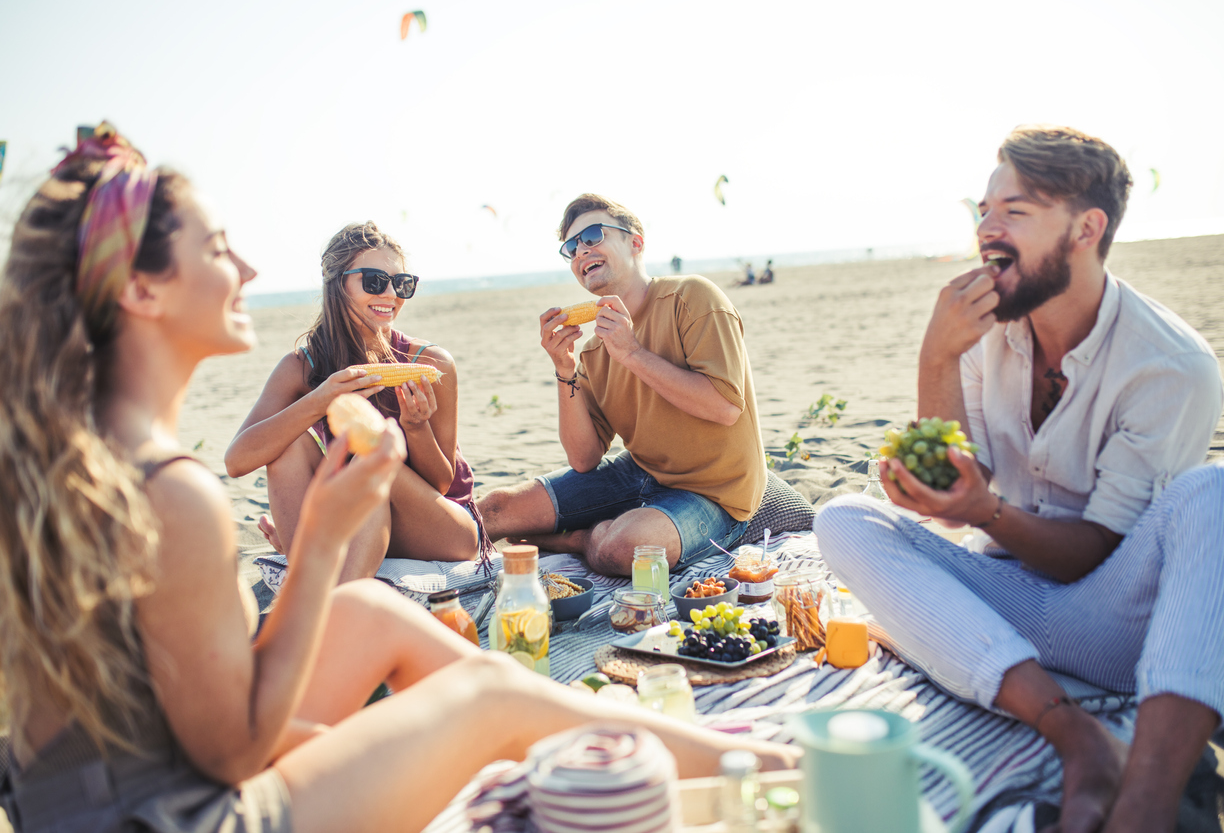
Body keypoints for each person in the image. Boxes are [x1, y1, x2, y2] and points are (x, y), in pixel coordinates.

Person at [0, 125, 795, 833]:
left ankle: (689, 748)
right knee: (485, 698)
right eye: (217, 249)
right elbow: (233, 750)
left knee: (374, 613)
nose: (246, 268)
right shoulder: (176, 493)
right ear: (140, 290)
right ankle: (764, 769)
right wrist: (319, 543)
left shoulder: (80, 451)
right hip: (168, 812)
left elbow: (178, 713)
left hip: (94, 787)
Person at [813, 125, 1224, 833]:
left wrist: (987, 512)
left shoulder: (1170, 365)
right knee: (840, 519)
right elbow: (958, 491)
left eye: (1014, 211)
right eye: (983, 210)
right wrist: (937, 357)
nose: (986, 228)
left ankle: (1144, 808)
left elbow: (1092, 551)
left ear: (1087, 228)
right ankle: (1080, 740)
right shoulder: (989, 327)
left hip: (1115, 625)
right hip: (1005, 601)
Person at [478, 194, 766, 577]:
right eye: (571, 247)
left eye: (593, 236)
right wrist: (564, 369)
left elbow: (725, 407)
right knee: (494, 510)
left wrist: (631, 353)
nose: (581, 251)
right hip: (641, 473)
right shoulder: (595, 350)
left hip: (717, 493)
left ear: (636, 242)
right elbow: (584, 458)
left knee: (624, 548)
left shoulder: (692, 297)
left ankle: (575, 540)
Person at [225, 222, 488, 582]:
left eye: (402, 283)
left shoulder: (430, 363)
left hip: (443, 529)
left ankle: (336, 603)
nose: (391, 294)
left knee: (369, 465)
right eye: (375, 281)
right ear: (337, 283)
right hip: (359, 521)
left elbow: (442, 484)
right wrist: (320, 399)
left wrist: (415, 426)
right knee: (287, 445)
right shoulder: (301, 368)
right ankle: (312, 576)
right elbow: (238, 461)